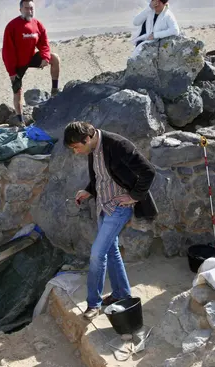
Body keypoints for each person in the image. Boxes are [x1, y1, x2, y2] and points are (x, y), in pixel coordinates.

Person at [64, 121, 158, 320]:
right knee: (112, 251)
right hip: (102, 206)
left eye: (76, 147)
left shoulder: (118, 145)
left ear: (87, 138)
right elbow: (101, 176)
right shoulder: (92, 147)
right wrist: (88, 191)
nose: (76, 152)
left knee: (97, 254)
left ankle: (93, 303)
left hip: (119, 208)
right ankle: (121, 294)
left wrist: (134, 196)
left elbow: (148, 171)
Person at [2, 0, 60, 126]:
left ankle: (55, 89)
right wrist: (12, 72)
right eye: (27, 8)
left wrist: (45, 57)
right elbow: (7, 51)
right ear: (20, 10)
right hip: (18, 64)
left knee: (54, 58)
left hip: (31, 58)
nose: (30, 11)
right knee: (17, 90)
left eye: (32, 8)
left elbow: (44, 43)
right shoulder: (12, 26)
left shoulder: (37, 24)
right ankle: (20, 120)